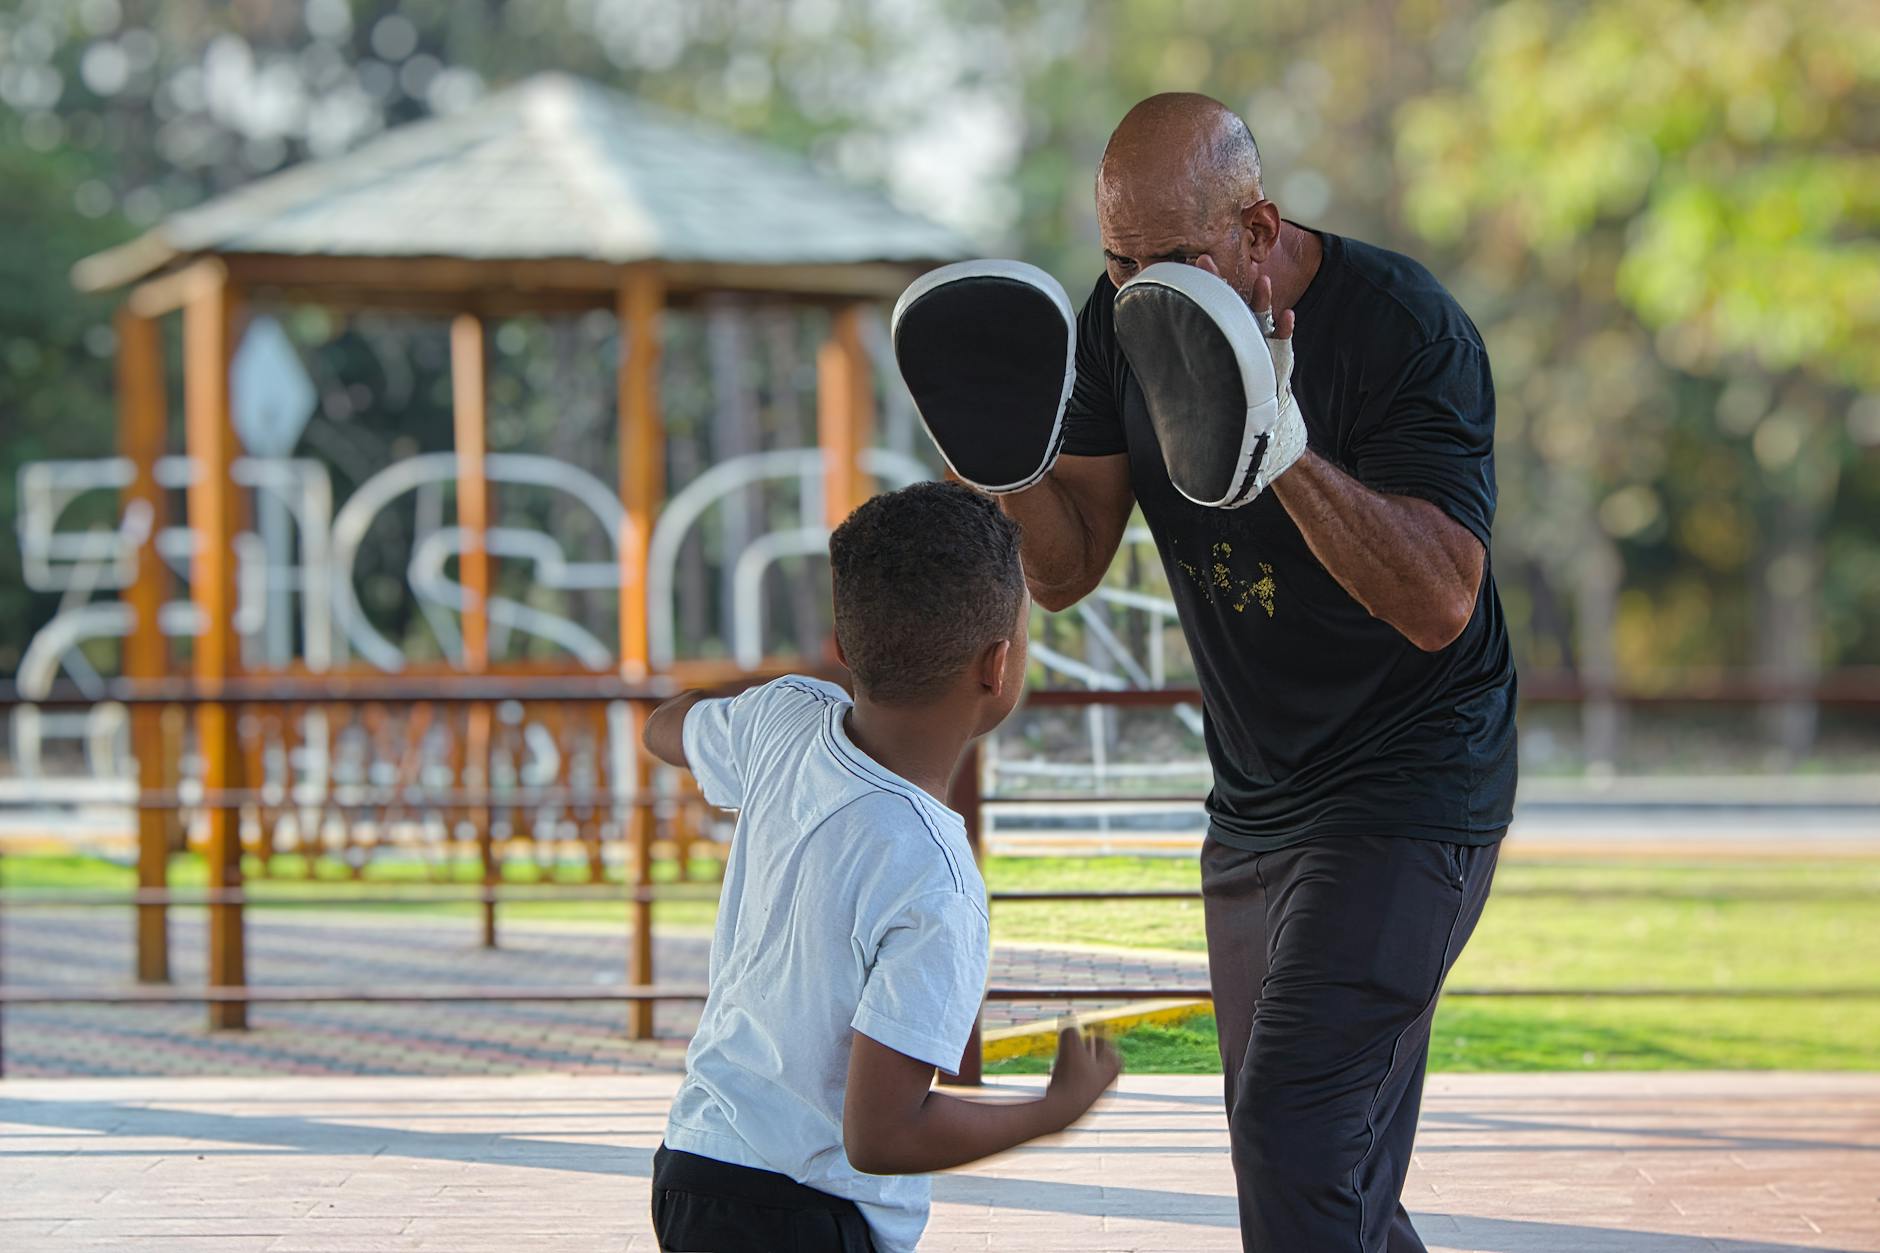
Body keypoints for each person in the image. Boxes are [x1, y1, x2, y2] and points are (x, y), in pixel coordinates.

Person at [895, 94, 1516, 1253]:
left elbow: (1439, 603)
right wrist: (1005, 465)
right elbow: (1069, 563)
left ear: (1257, 228)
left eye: (1169, 260)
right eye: (1115, 260)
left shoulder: (1402, 331)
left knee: (1292, 1128)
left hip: (1409, 785)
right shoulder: (1118, 312)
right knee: (1314, 1169)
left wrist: (1277, 443)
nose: (1138, 293)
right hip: (1252, 803)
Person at [640, 481, 1121, 1253]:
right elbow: (881, 1135)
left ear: (843, 643)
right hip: (805, 1217)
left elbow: (665, 726)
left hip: (695, 1170)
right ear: (996, 666)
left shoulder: (781, 722)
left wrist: (773, 702)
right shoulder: (937, 878)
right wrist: (1050, 1112)